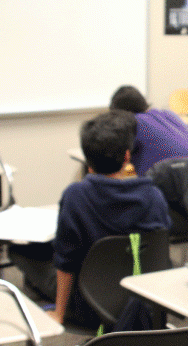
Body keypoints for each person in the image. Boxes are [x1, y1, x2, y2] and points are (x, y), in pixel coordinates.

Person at [10, 110, 170, 327]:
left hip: (90, 306)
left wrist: (59, 313)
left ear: (87, 160)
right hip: (144, 303)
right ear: (127, 156)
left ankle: (50, 307)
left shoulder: (76, 196)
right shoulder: (153, 195)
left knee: (21, 252)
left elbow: (66, 262)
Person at [109, 85, 188, 176]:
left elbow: (114, 159)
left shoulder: (132, 124)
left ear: (117, 112)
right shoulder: (168, 114)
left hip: (168, 183)